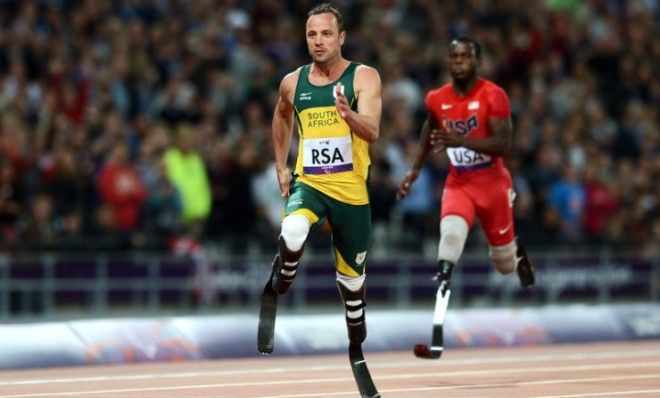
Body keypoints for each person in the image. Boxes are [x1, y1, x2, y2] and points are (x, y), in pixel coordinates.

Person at [257, 2, 382, 357]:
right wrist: (281, 165)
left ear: (341, 37)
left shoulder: (363, 77)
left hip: (351, 191)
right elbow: (281, 117)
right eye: (312, 34)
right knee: (293, 230)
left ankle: (355, 320)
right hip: (310, 183)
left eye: (326, 33)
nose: (318, 41)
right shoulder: (292, 83)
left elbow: (372, 131)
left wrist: (349, 115)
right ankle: (286, 271)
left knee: (352, 280)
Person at [397, 36, 535, 297]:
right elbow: (430, 127)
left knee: (504, 266)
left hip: (493, 184)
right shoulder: (437, 98)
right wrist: (414, 168)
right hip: (460, 182)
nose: (458, 61)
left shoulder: (494, 96)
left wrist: (460, 140)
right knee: (450, 235)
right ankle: (444, 275)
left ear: (478, 61)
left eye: (465, 56)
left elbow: (503, 145)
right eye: (454, 56)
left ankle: (514, 249)